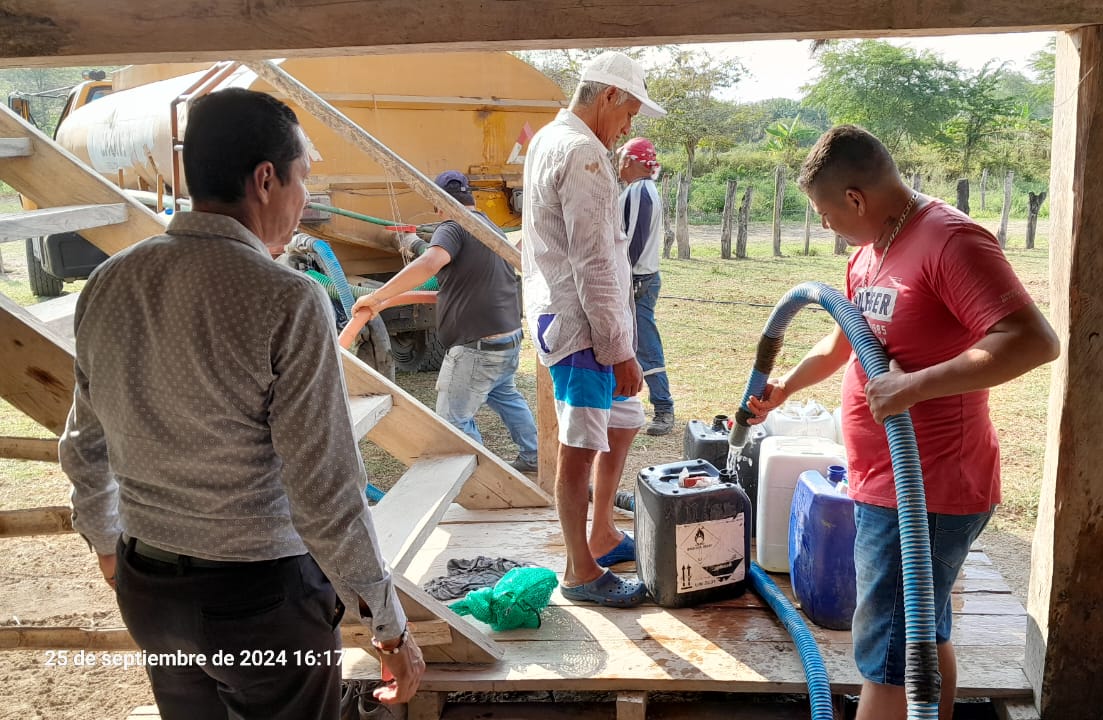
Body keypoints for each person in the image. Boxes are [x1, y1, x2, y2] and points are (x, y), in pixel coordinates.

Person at [59, 88, 425, 719]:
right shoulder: (286, 298)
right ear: (265, 179)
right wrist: (388, 625)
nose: (305, 198)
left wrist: (105, 542)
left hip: (150, 590)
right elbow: (326, 488)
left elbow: (84, 444)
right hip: (259, 601)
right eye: (302, 178)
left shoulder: (109, 280)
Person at [747, 125, 1059, 720]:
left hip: (929, 488)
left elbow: (1033, 341)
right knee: (922, 634)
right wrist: (786, 386)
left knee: (888, 656)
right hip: (882, 481)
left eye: (825, 213)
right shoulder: (870, 251)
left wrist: (913, 386)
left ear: (856, 198)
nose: (825, 225)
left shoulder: (950, 241)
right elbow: (845, 342)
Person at [521, 51, 666, 607]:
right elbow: (594, 261)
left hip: (581, 319)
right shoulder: (582, 152)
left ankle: (602, 532)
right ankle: (579, 570)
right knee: (580, 445)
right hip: (583, 328)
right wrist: (619, 349)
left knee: (623, 419)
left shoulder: (551, 139)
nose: (628, 127)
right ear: (608, 96)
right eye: (628, 112)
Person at [352, 170, 539, 473]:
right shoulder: (488, 225)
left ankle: (484, 479)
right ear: (470, 197)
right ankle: (534, 456)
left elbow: (430, 262)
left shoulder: (453, 226)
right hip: (508, 338)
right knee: (507, 397)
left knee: (452, 422)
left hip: (478, 347)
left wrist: (377, 297)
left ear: (438, 204)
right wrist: (416, 245)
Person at [617, 137, 675, 436]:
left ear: (629, 160)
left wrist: (625, 280)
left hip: (638, 281)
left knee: (646, 347)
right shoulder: (640, 189)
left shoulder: (640, 190)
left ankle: (664, 408)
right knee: (630, 344)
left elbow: (633, 242)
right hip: (638, 279)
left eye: (620, 159)